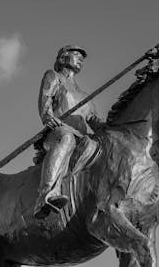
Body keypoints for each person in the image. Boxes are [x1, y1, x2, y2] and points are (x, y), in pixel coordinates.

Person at [33, 45, 103, 219]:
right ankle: (46, 195)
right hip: (57, 133)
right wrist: (47, 116)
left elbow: (96, 122)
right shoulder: (53, 76)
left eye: (82, 57)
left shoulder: (84, 95)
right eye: (76, 55)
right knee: (67, 138)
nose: (80, 58)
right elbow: (45, 102)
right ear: (63, 58)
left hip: (81, 138)